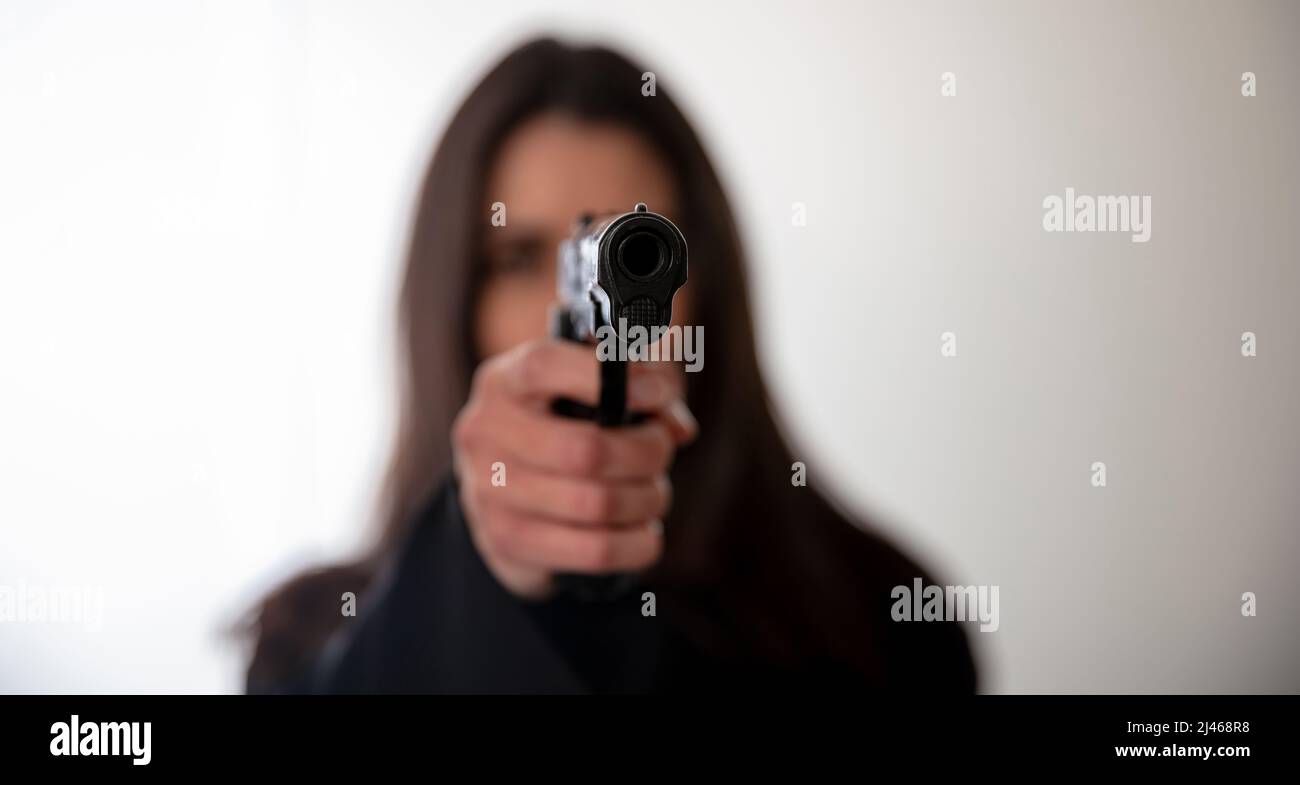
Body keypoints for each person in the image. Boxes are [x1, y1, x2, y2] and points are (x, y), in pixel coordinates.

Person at [243, 37, 977, 693]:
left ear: (704, 287)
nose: (585, 305)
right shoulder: (313, 640)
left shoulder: (885, 618)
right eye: (521, 258)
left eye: (632, 252)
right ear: (450, 298)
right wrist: (470, 580)